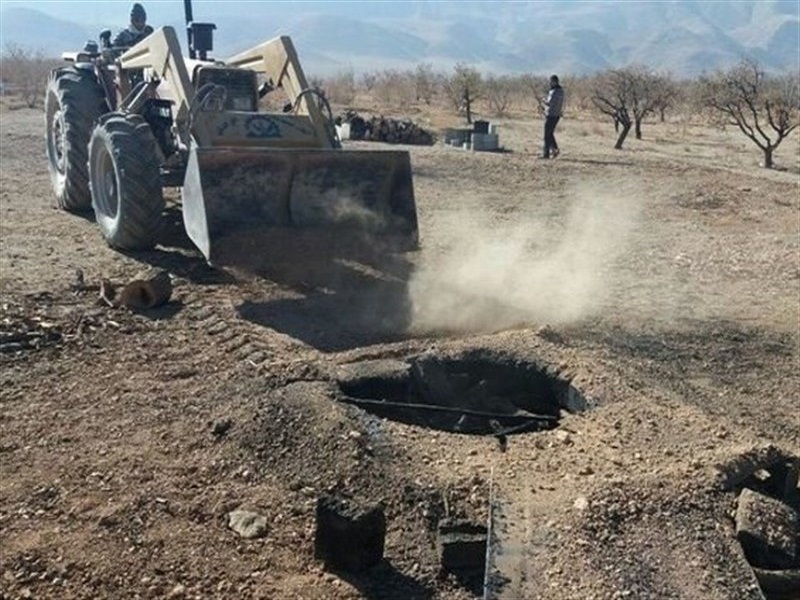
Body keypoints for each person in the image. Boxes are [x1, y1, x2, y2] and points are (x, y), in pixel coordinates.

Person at [541, 74, 565, 159]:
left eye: (551, 81)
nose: (550, 83)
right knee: (550, 133)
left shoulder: (553, 91)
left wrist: (543, 100)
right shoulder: (561, 91)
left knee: (546, 135)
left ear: (554, 82)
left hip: (550, 115)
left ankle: (546, 154)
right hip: (557, 115)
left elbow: (549, 102)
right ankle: (555, 149)